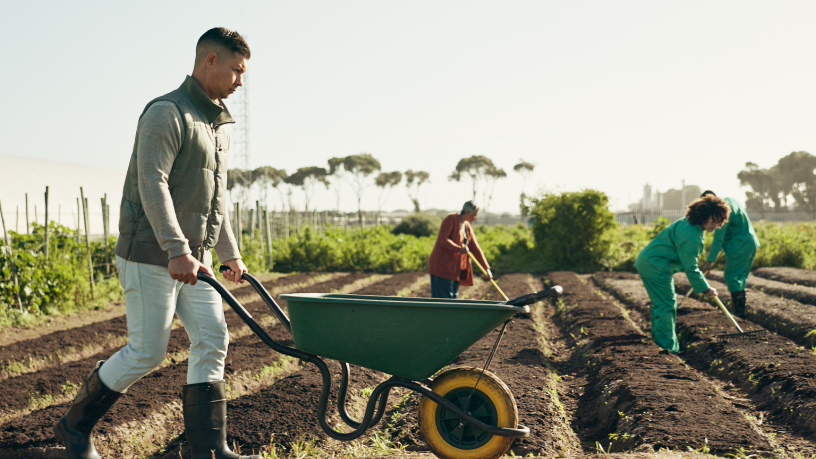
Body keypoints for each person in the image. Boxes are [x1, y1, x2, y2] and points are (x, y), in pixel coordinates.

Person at [54, 28, 260, 459]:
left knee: (212, 338)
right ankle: (74, 427)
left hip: (193, 261)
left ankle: (206, 449)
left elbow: (214, 197)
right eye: (237, 70)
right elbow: (153, 181)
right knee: (147, 351)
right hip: (152, 253)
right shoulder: (167, 113)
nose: (241, 81)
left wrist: (229, 253)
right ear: (210, 61)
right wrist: (176, 249)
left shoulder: (215, 123)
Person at [634, 195, 731, 354]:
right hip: (655, 266)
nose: (716, 225)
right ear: (703, 216)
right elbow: (690, 267)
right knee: (666, 304)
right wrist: (705, 288)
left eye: (719, 221)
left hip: (653, 263)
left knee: (662, 303)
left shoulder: (691, 226)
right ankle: (667, 348)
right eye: (713, 220)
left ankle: (660, 341)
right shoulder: (691, 235)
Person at [699, 191, 760, 319]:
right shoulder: (731, 200)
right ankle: (740, 311)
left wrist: (710, 261)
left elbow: (718, 238)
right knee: (740, 277)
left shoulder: (721, 210)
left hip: (739, 245)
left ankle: (738, 313)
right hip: (750, 242)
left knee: (732, 276)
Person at [428, 201, 492, 299]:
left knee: (453, 300)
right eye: (474, 215)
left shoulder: (466, 226)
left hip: (454, 270)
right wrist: (458, 249)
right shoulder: (451, 219)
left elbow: (475, 248)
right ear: (467, 213)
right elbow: (443, 239)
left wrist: (486, 269)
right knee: (443, 301)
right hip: (442, 267)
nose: (475, 218)